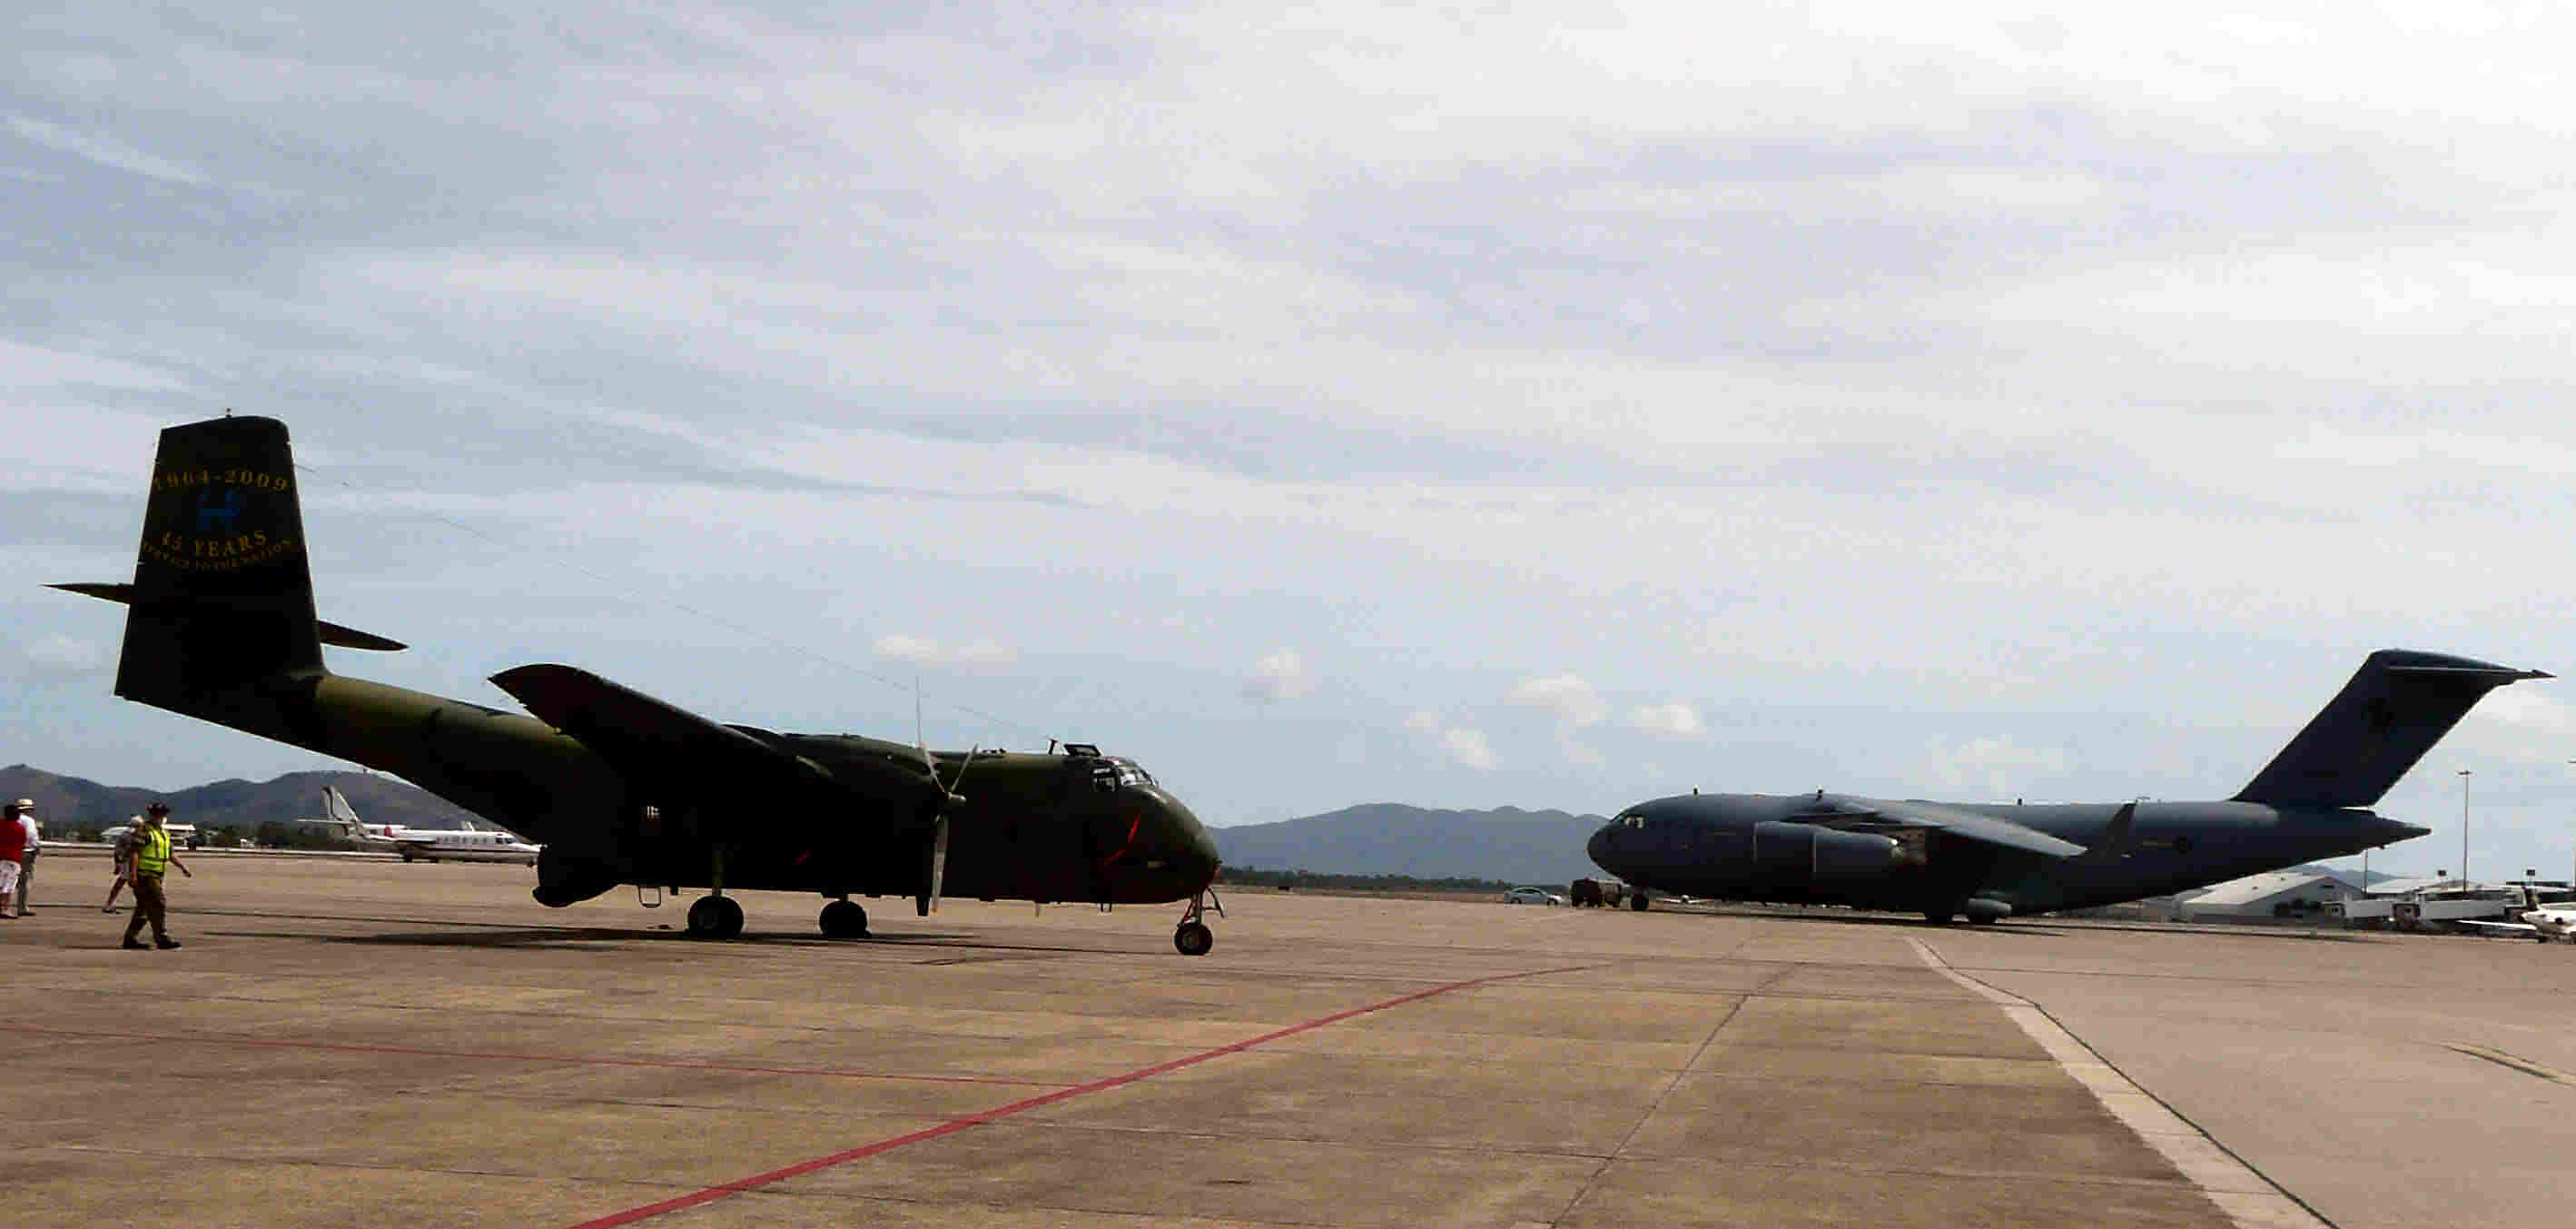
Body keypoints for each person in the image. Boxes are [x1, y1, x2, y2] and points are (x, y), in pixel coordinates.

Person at [122, 802, 191, 950]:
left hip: (157, 875)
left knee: (144, 909)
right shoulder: (143, 831)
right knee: (158, 903)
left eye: (162, 814)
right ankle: (161, 938)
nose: (160, 817)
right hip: (144, 875)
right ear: (151, 814)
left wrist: (182, 867)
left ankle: (130, 939)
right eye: (157, 814)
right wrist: (133, 875)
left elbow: (170, 854)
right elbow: (135, 852)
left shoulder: (163, 833)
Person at [103, 818, 142, 912]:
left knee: (122, 882)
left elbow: (117, 851)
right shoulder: (133, 835)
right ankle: (109, 904)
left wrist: (117, 864)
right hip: (130, 861)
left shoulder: (124, 834)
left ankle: (109, 903)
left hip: (125, 861)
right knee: (132, 883)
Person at [7, 799, 36, 917]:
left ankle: (5, 906)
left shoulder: (10, 820)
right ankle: (22, 907)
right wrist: (36, 846)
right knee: (24, 881)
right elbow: (30, 836)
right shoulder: (29, 820)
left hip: (10, 852)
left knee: (8, 880)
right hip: (26, 852)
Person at [0, 800, 22, 919]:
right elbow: (22, 843)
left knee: (1, 883)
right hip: (13, 859)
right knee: (9, 885)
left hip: (1, 857)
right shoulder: (19, 828)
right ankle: (5, 909)